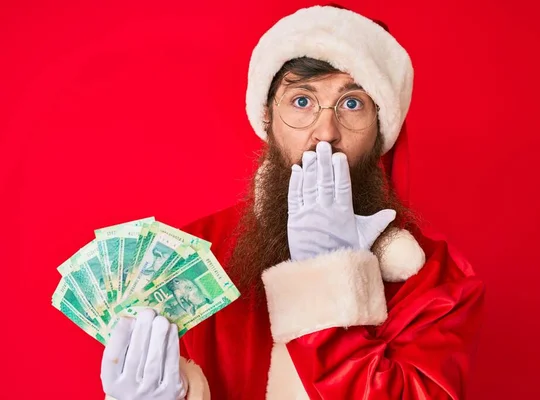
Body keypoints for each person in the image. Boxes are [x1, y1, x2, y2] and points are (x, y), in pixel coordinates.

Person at [101, 5, 485, 400]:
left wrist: (328, 282)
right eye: (301, 101)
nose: (325, 132)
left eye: (352, 104)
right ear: (267, 116)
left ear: (381, 129)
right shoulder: (193, 255)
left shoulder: (437, 278)